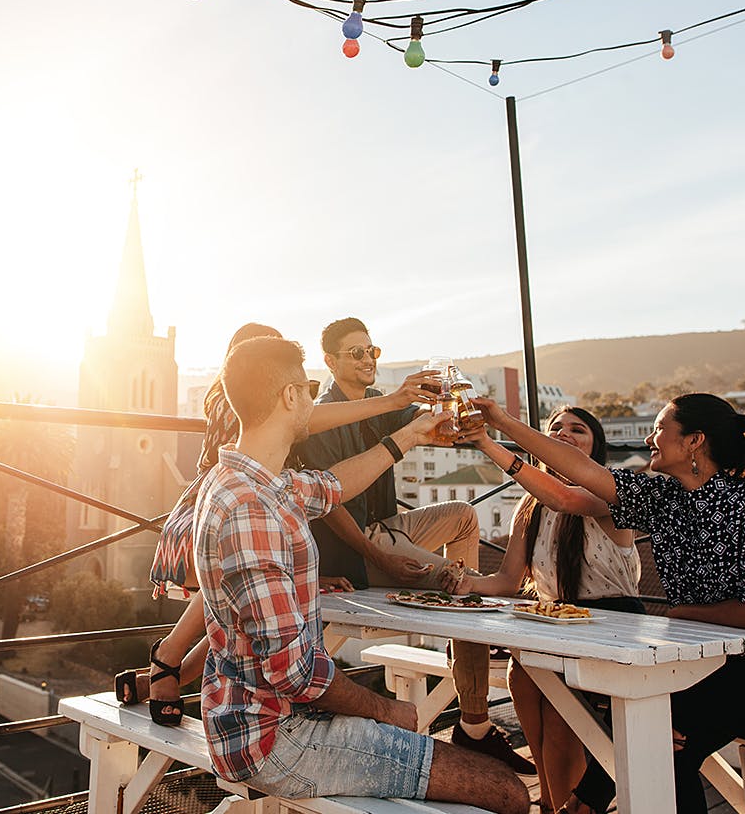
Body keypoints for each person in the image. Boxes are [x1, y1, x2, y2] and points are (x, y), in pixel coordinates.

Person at [192, 334, 529, 814]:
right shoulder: (251, 509)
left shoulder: (251, 483)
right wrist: (388, 711)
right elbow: (295, 673)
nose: (313, 399)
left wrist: (411, 434)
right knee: (507, 791)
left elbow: (333, 486)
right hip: (277, 739)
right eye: (306, 389)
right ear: (290, 397)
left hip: (248, 717)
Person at [474, 392, 745, 814]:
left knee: (654, 729)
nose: (650, 438)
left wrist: (684, 614)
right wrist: (501, 426)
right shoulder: (665, 499)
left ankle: (580, 804)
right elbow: (573, 483)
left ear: (693, 441)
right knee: (658, 737)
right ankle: (581, 805)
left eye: (660, 428)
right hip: (714, 673)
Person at [115, 321, 438, 725]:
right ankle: (167, 657)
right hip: (214, 507)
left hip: (257, 499)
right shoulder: (231, 402)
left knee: (237, 617)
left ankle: (168, 673)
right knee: (233, 587)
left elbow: (325, 473)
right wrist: (390, 402)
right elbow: (314, 420)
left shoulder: (264, 441)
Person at [296, 317, 534, 773]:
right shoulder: (324, 414)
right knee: (463, 588)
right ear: (329, 361)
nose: (368, 360)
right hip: (356, 546)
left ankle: (461, 621)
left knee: (464, 516)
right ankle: (475, 719)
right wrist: (380, 557)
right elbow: (329, 504)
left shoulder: (376, 403)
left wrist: (460, 411)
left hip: (387, 526)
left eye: (373, 351)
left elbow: (430, 426)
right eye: (356, 353)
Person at [440, 405, 641, 813]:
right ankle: (552, 802)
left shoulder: (608, 493)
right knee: (524, 676)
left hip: (612, 623)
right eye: (554, 429)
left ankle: (567, 805)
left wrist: (486, 441)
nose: (563, 434)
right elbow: (506, 582)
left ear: (595, 448)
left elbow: (565, 498)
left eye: (577, 430)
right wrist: (465, 584)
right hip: (555, 622)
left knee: (557, 698)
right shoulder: (529, 508)